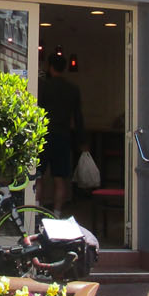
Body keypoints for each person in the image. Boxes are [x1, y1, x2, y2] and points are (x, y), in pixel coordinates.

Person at [37, 52, 84, 217]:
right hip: (63, 135)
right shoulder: (72, 89)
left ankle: (35, 211)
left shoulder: (43, 87)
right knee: (60, 179)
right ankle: (56, 213)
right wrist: (81, 140)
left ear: (50, 67)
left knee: (38, 176)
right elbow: (78, 116)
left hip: (43, 134)